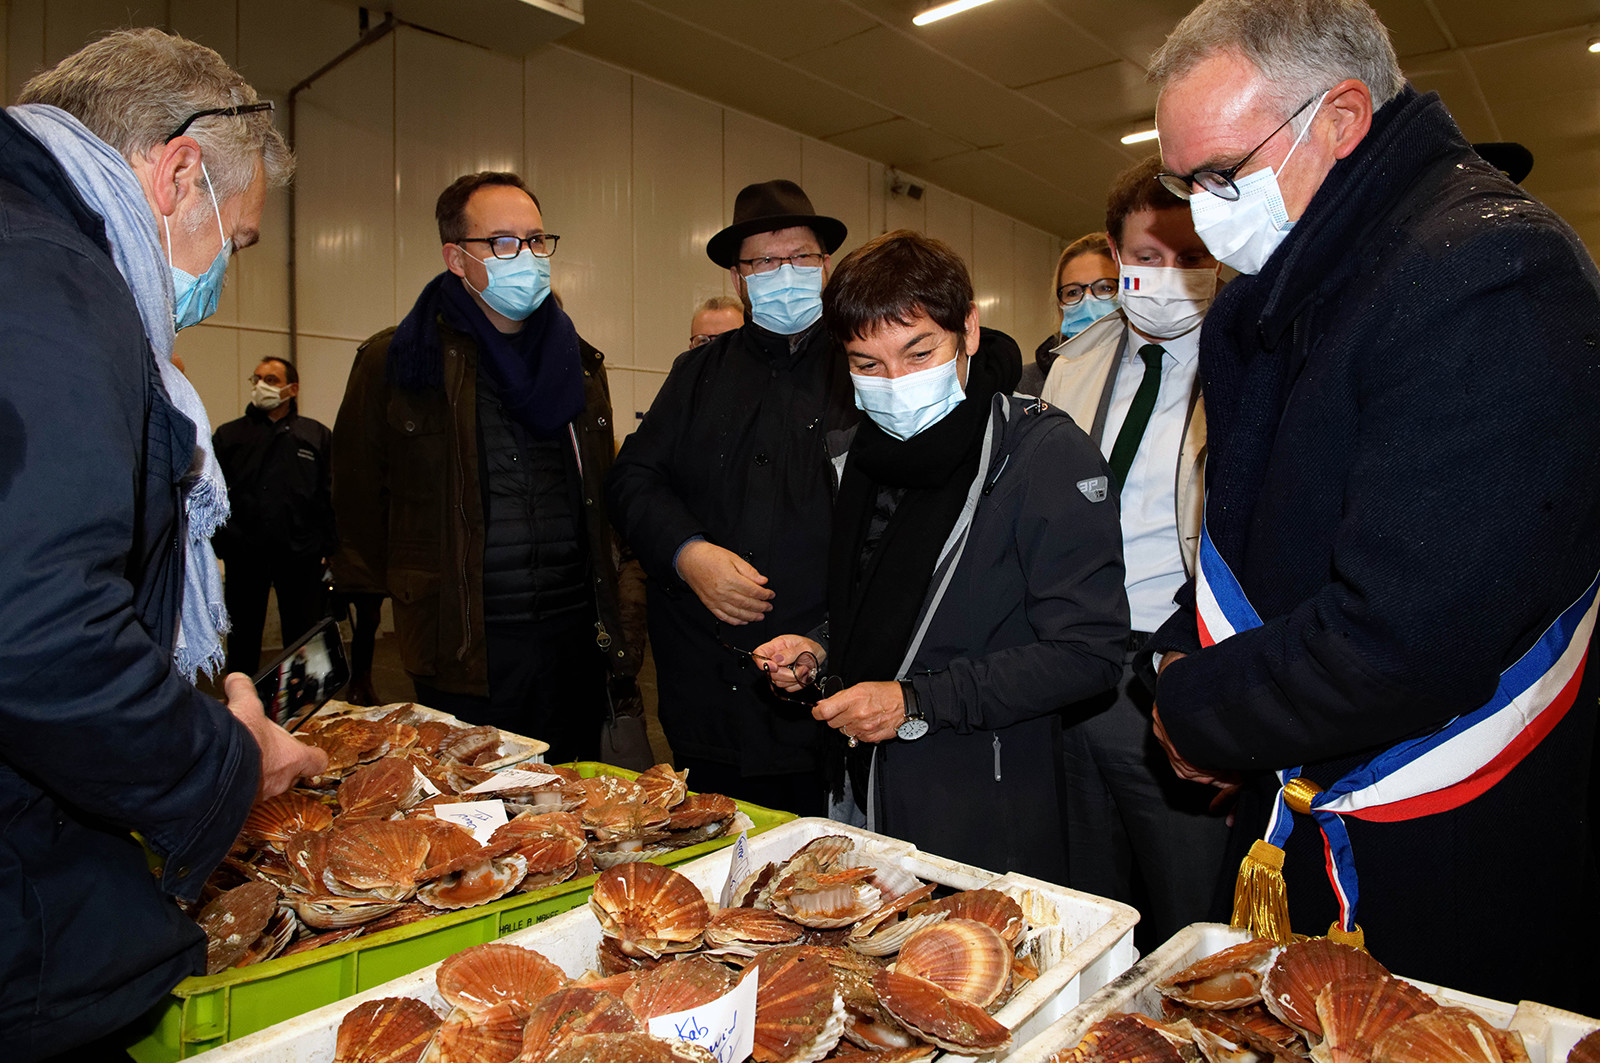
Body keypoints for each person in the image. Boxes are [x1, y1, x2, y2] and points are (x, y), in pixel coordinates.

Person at [1146, 0, 1599, 1007]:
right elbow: (1258, 538)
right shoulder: (1292, 282)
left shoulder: (1485, 269)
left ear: (1341, 118)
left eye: (1222, 174)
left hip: (1440, 833)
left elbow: (1408, 631)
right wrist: (1189, 647)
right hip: (1296, 761)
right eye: (1187, 183)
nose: (1204, 210)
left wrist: (1198, 710)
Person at [0, 29, 326, 1057]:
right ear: (181, 171)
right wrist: (219, 765)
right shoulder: (49, 282)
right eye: (233, 242)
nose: (218, 277)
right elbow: (39, 626)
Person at [753, 230, 1129, 881]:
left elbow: (1090, 653)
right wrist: (820, 647)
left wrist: (917, 701)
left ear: (968, 332)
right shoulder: (861, 457)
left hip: (979, 807)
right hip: (862, 791)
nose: (896, 381)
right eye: (867, 365)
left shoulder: (1041, 456)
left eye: (919, 350)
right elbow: (881, 609)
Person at [331, 171, 640, 765]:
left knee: (569, 806)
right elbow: (358, 500)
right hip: (464, 644)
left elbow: (599, 495)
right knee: (474, 814)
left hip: (571, 635)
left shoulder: (578, 365)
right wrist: (414, 590)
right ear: (456, 257)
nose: (525, 257)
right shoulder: (394, 362)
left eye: (535, 240)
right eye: (501, 242)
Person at [606, 180, 858, 815]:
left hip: (823, 695)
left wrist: (826, 636)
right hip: (706, 693)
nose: (785, 273)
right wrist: (688, 553)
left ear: (825, 265)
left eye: (801, 257)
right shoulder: (696, 373)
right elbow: (633, 480)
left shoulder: (862, 368)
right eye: (763, 262)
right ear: (739, 276)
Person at [1041, 155, 1226, 950]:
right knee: (1082, 910)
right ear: (1116, 258)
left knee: (1190, 914)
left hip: (1174, 671)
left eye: (1192, 258)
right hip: (1070, 669)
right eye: (1147, 258)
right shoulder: (1073, 364)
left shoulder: (1249, 361)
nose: (1170, 276)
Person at [212, 356, 336, 675]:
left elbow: (329, 495)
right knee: (243, 637)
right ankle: (241, 710)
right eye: (257, 379)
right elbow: (212, 497)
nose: (261, 386)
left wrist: (329, 549)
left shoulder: (315, 436)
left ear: (292, 389)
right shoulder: (230, 437)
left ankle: (304, 709)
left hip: (300, 556)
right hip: (245, 555)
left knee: (303, 638)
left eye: (271, 380)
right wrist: (225, 544)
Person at [1017, 233, 1118, 395]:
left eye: (1105, 288)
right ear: (1060, 305)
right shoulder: (1025, 384)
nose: (1088, 300)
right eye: (1073, 292)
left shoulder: (1146, 373)